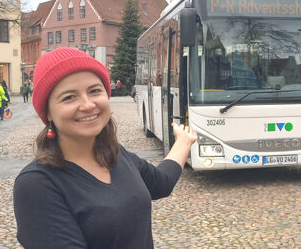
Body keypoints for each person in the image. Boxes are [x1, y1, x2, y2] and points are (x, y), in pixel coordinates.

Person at [13, 47, 197, 248]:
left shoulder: (116, 155)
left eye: (94, 91)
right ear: (47, 112)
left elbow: (161, 182)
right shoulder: (37, 184)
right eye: (69, 97)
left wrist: (183, 141)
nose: (88, 104)